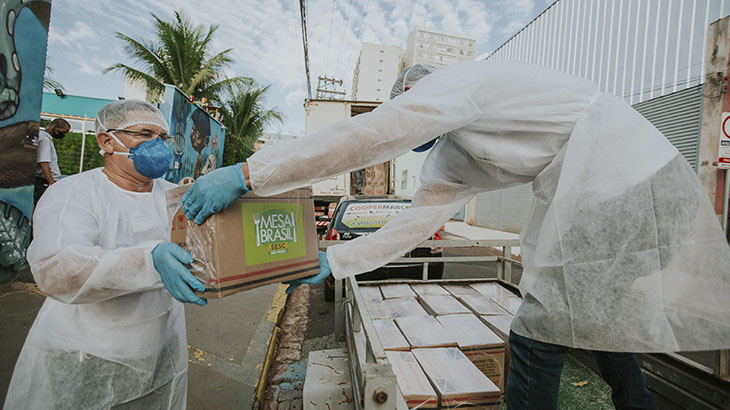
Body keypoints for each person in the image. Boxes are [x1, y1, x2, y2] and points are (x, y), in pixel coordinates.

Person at [180, 62, 730, 409]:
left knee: (538, 337)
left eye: (408, 107)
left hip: (625, 180)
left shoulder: (457, 82)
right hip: (599, 193)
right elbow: (419, 219)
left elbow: (369, 136)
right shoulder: (450, 157)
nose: (409, 120)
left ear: (419, 91)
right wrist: (342, 257)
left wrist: (251, 174)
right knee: (587, 314)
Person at [4, 100, 207, 410]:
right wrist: (147, 260)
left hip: (160, 349)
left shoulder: (173, 197)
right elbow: (57, 269)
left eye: (162, 137)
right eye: (144, 134)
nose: (157, 145)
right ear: (107, 141)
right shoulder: (74, 193)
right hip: (85, 353)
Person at [34, 117, 69, 202]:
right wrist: (51, 182)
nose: (63, 135)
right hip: (45, 181)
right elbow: (43, 162)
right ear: (55, 127)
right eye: (62, 132)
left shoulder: (43, 137)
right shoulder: (45, 140)